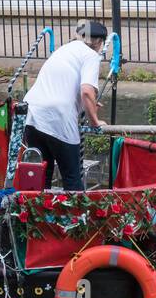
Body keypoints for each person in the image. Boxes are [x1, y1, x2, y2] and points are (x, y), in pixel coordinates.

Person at [22, 19, 107, 191]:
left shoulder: (64, 49)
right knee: (71, 178)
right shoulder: (91, 56)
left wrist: (88, 105)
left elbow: (63, 86)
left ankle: (38, 215)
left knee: (43, 175)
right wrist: (95, 122)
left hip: (32, 113)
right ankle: (74, 216)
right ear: (99, 43)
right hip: (58, 119)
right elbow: (86, 92)